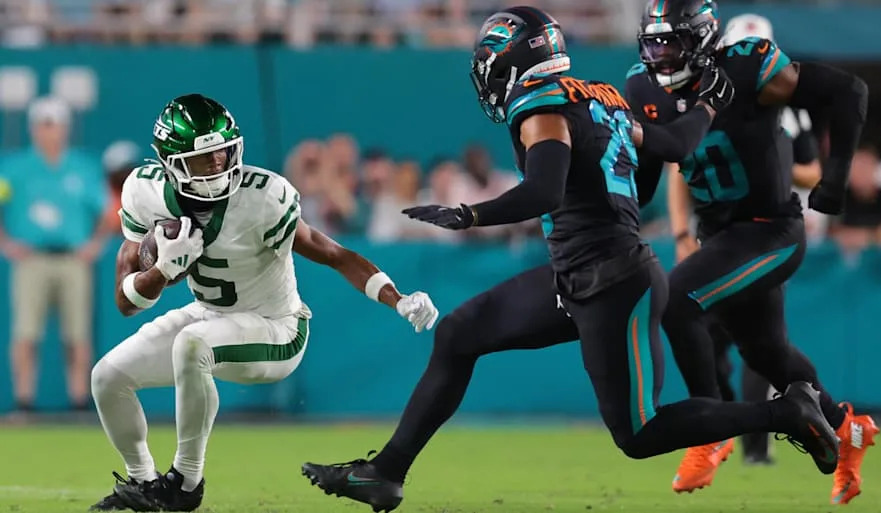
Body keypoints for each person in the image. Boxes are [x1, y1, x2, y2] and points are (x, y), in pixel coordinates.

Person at [301, 7, 838, 513]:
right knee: (459, 334)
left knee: (640, 433)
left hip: (613, 280)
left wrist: (468, 214)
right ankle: (386, 472)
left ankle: (787, 411)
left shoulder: (539, 105)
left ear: (511, 62)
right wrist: (707, 106)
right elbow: (674, 145)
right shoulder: (600, 96)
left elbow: (543, 192)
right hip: (581, 273)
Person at [89, 94, 439, 512]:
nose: (218, 166)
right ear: (171, 162)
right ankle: (144, 484)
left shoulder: (264, 197)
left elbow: (334, 254)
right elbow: (126, 302)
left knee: (193, 344)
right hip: (210, 314)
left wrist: (397, 299)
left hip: (277, 326)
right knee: (107, 377)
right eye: (204, 160)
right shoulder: (145, 192)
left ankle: (183, 484)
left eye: (223, 153)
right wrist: (161, 272)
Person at [624, 0, 877, 503]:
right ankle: (849, 430)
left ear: (698, 38)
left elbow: (850, 90)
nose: (659, 55)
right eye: (651, 43)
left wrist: (836, 176)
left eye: (670, 42)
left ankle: (711, 426)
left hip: (770, 231)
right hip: (719, 237)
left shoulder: (746, 63)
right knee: (767, 354)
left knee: (676, 301)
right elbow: (649, 173)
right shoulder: (642, 85)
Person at [0, 96, 109, 413]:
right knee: (26, 332)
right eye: (43, 125)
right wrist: (5, 243)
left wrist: (95, 244)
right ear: (33, 129)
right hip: (31, 259)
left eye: (55, 125)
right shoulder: (16, 167)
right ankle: (24, 399)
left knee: (76, 333)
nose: (49, 131)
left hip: (72, 259)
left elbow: (106, 211)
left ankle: (78, 399)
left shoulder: (81, 167)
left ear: (64, 128)